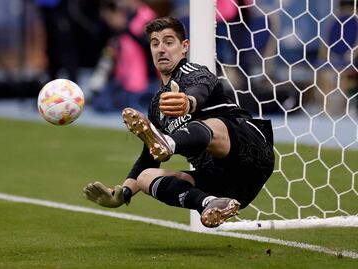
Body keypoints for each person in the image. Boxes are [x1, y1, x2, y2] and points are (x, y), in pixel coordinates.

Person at [83, 17, 275, 228]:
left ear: (184, 47)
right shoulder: (156, 106)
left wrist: (188, 102)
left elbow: (199, 90)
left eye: (168, 42)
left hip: (251, 150)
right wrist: (124, 192)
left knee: (212, 124)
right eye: (155, 44)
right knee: (146, 177)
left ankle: (170, 143)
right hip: (230, 183)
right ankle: (210, 203)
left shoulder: (195, 72)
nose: (161, 49)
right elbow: (148, 158)